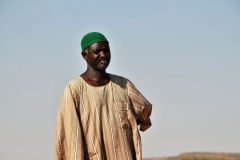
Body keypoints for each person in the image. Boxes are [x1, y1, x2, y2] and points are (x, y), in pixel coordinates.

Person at [55, 32, 152, 160]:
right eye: (97, 51)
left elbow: (144, 108)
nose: (103, 55)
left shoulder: (123, 85)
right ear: (85, 55)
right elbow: (69, 134)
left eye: (106, 51)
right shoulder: (74, 89)